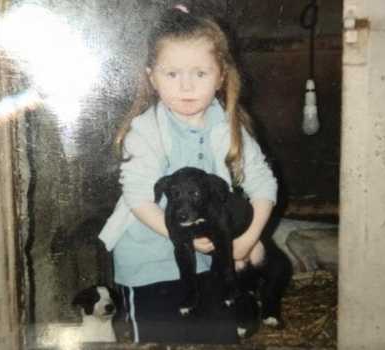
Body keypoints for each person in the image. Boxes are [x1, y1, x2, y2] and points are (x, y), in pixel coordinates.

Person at [98, 4, 278, 344]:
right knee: (159, 340)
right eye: (172, 74)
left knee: (215, 338)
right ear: (152, 77)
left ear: (221, 75)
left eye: (200, 73)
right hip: (149, 261)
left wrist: (245, 241)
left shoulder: (228, 126)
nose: (186, 87)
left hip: (209, 262)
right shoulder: (146, 130)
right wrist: (191, 241)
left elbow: (263, 184)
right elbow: (138, 196)